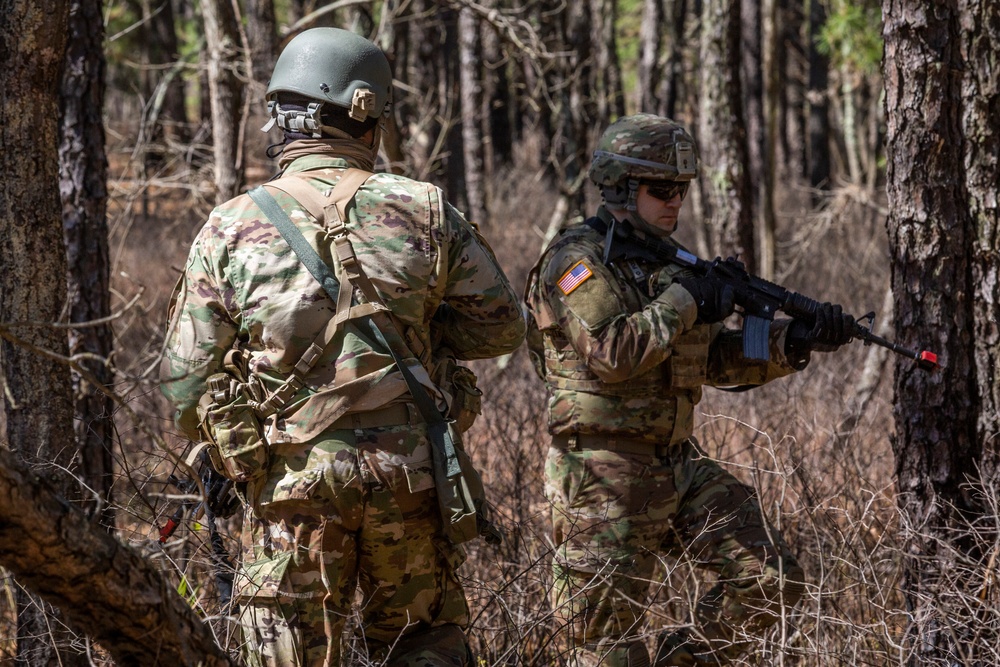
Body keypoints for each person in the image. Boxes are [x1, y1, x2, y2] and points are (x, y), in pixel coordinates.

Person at [160, 27, 525, 667]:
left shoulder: (230, 224)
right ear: (367, 113)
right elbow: (501, 327)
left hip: (291, 485)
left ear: (283, 119)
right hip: (411, 479)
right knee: (424, 647)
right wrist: (415, 336)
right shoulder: (426, 208)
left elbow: (182, 381)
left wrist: (224, 443)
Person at [524, 113, 853, 666]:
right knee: (607, 648)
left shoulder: (667, 265)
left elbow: (713, 362)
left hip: (677, 466)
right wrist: (686, 302)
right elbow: (614, 352)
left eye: (681, 189)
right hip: (603, 475)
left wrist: (792, 342)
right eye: (661, 189)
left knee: (770, 580)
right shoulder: (576, 261)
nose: (674, 202)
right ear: (621, 187)